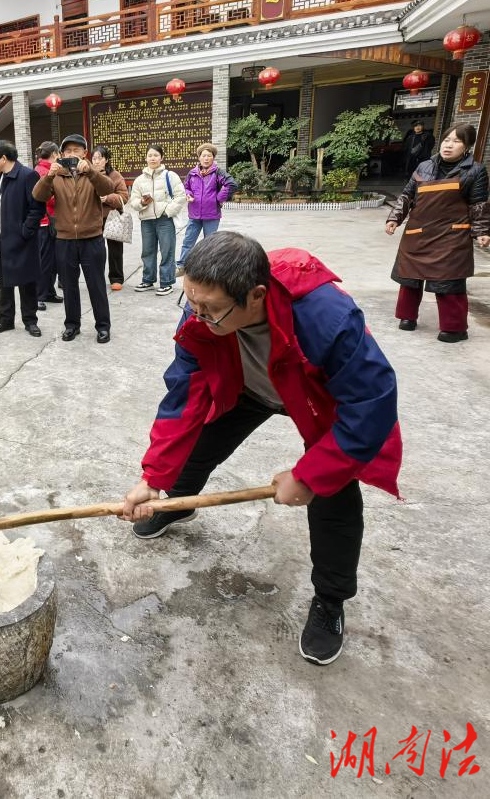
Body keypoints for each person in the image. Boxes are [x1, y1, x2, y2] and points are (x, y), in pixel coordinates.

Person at [121, 231, 401, 666]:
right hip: (249, 386)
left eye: (211, 309)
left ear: (256, 295)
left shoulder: (326, 317)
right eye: (191, 302)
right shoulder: (200, 313)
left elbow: (371, 403)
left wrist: (309, 476)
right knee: (196, 446)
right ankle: (177, 503)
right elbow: (183, 396)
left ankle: (330, 601)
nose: (198, 316)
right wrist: (152, 478)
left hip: (312, 396)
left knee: (333, 493)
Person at [385, 122, 490, 342]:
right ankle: (407, 317)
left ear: (467, 146)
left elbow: (478, 204)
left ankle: (454, 328)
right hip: (418, 231)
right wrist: (394, 218)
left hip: (451, 235)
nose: (448, 145)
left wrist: (482, 230)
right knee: (410, 278)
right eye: (446, 140)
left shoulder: (475, 170)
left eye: (456, 141)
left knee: (449, 282)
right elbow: (407, 195)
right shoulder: (424, 166)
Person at [34, 133, 115, 343]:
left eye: (76, 150)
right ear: (61, 154)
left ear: (84, 153)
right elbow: (38, 196)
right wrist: (48, 176)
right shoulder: (57, 176)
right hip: (65, 240)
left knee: (96, 285)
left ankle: (103, 326)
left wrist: (92, 172)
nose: (72, 154)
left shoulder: (93, 173)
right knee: (69, 286)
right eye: (68, 151)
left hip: (92, 239)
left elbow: (108, 189)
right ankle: (72, 325)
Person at [0, 140, 45, 338]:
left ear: (3, 158)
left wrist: (24, 232)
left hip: (22, 241)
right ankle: (6, 320)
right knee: (5, 283)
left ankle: (30, 321)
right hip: (1, 241)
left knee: (27, 283)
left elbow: (37, 209)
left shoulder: (28, 176)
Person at [128, 143, 186, 296]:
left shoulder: (170, 176)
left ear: (161, 157)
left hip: (164, 220)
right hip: (146, 220)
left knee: (167, 251)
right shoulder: (139, 180)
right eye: (150, 155)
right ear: (146, 158)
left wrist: (168, 211)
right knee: (147, 251)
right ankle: (148, 280)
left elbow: (181, 196)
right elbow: (133, 201)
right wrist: (142, 202)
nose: (152, 158)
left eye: (156, 155)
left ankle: (167, 283)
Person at [178, 143, 237, 271]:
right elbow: (186, 187)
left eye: (209, 156)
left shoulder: (218, 172)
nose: (206, 158)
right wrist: (188, 194)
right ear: (199, 157)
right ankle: (182, 265)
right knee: (188, 241)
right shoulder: (192, 173)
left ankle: (208, 268)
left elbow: (231, 184)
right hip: (194, 215)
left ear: (213, 158)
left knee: (210, 244)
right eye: (203, 156)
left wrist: (220, 198)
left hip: (211, 215)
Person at [92, 145, 129, 291]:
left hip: (112, 217)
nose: (96, 161)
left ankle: (116, 278)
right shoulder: (87, 175)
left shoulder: (115, 175)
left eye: (99, 158)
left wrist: (108, 198)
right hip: (93, 218)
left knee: (115, 250)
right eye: (94, 158)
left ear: (106, 159)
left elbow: (124, 197)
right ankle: (97, 278)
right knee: (95, 251)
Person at [34, 141, 61, 307]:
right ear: (54, 154)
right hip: (45, 222)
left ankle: (49, 292)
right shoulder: (44, 172)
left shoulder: (42, 169)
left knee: (52, 261)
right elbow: (48, 198)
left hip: (50, 221)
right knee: (45, 261)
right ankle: (39, 295)